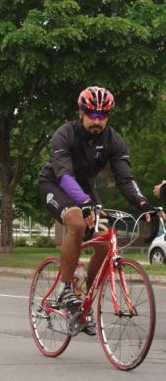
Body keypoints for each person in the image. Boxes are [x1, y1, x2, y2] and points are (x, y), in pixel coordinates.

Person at [38, 86, 154, 336]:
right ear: (81, 112)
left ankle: (85, 301)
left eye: (103, 116)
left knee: (104, 239)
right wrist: (83, 201)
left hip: (86, 190)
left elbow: (125, 178)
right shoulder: (64, 134)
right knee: (77, 223)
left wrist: (143, 203)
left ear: (108, 117)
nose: (97, 120)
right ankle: (66, 287)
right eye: (92, 114)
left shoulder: (113, 140)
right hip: (56, 184)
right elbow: (65, 175)